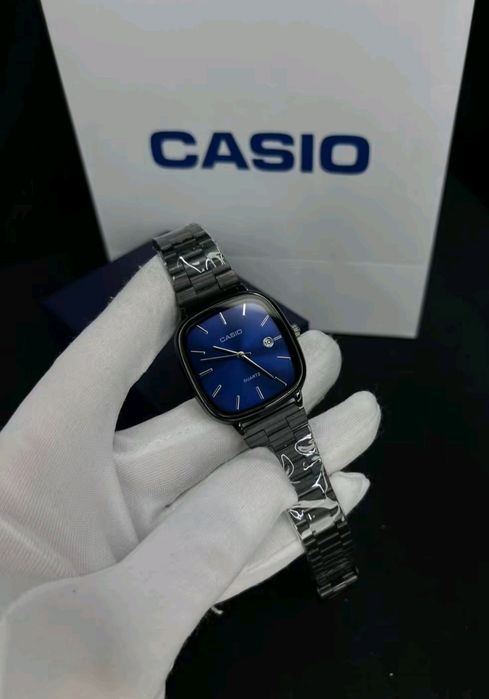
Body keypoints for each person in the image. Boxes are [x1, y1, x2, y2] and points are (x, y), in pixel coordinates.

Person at [0, 256, 381, 698]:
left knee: (277, 468)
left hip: (255, 398)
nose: (239, 356)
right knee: (278, 475)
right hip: (250, 403)